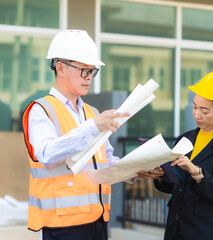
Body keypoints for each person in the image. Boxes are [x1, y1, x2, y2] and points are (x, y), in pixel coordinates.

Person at [22, 29, 129, 240]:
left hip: (97, 220)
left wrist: (134, 169)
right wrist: (91, 127)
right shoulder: (41, 110)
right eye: (84, 70)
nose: (89, 77)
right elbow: (47, 154)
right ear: (60, 68)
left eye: (93, 71)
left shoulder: (92, 113)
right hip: (64, 225)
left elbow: (104, 161)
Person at [138, 71, 213, 240]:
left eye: (204, 110)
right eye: (195, 107)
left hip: (206, 231)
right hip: (177, 227)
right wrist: (160, 176)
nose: (197, 114)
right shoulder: (185, 138)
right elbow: (176, 186)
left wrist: (196, 172)